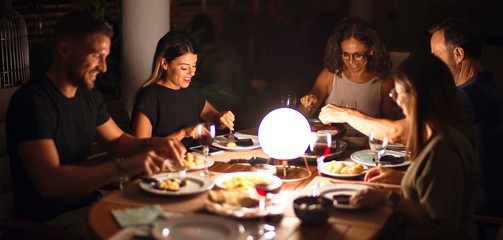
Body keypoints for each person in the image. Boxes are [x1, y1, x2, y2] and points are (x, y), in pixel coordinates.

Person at [5, 11, 185, 237]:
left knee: (172, 222)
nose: (103, 67)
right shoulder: (32, 102)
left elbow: (118, 141)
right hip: (49, 221)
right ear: (64, 51)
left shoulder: (89, 95)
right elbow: (51, 183)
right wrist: (124, 167)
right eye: (96, 56)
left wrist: (158, 144)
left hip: (91, 203)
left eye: (106, 57)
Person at [320, 18, 503, 218]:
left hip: (475, 208)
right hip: (460, 196)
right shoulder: (484, 86)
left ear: (458, 54)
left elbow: (400, 133)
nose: (432, 61)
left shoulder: (464, 98)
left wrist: (345, 114)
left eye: (435, 55)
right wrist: (404, 178)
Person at [350, 52, 478, 239]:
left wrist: (388, 198)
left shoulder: (443, 148)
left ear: (416, 94)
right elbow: (438, 187)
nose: (394, 98)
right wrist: (403, 177)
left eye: (397, 92)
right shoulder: (445, 133)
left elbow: (438, 224)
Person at [131, 31, 235, 147]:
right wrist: (184, 132)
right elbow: (140, 149)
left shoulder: (190, 91)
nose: (192, 73)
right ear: (165, 63)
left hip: (196, 161)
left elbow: (216, 121)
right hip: (166, 163)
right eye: (184, 68)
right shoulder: (149, 96)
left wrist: (222, 118)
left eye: (194, 65)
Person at [299, 16, 398, 120]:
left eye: (358, 55)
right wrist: (309, 103)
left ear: (371, 50)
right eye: (345, 54)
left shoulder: (383, 83)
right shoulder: (330, 74)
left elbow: (391, 125)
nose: (351, 62)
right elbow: (307, 108)